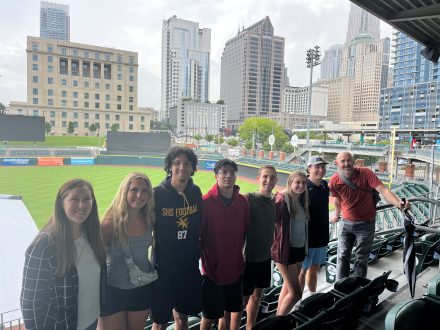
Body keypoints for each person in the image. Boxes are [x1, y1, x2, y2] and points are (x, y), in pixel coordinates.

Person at [21, 179, 106, 330]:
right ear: (61, 203)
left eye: (87, 198)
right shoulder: (43, 246)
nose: (82, 205)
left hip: (92, 322)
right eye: (74, 199)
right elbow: (31, 304)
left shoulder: (93, 235)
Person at [329, 151, 410, 280]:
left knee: (361, 257)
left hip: (366, 225)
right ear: (336, 163)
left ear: (353, 161)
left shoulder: (365, 172)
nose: (346, 163)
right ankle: (340, 285)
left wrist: (398, 203)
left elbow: (383, 189)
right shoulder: (334, 181)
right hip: (346, 224)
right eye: (342, 161)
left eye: (349, 160)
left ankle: (358, 286)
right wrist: (336, 215)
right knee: (342, 256)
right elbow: (337, 199)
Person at [151, 146, 203, 330]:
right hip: (164, 271)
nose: (182, 167)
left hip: (189, 269)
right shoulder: (157, 194)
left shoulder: (196, 193)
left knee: (182, 317)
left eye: (187, 163)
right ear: (170, 167)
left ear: (192, 167)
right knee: (160, 321)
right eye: (177, 163)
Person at [99, 172, 157, 330]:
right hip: (113, 290)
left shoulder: (150, 218)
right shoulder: (110, 222)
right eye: (134, 190)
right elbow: (94, 259)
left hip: (142, 289)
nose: (140, 195)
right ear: (125, 191)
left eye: (145, 190)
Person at [200, 159, 250, 330]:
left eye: (232, 172)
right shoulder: (205, 202)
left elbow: (244, 233)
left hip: (235, 270)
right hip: (211, 273)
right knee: (208, 317)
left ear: (236, 175)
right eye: (223, 172)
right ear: (216, 176)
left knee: (228, 313)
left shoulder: (243, 202)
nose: (228, 175)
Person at [243, 165, 278, 329]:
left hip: (265, 258)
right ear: (258, 179)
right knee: (240, 303)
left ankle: (250, 326)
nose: (268, 180)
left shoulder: (275, 202)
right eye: (265, 176)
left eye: (272, 177)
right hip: (248, 259)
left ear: (276, 181)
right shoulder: (248, 198)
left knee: (257, 296)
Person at [271, 170, 309, 316]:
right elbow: (270, 221)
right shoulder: (282, 199)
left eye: (303, 183)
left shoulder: (301, 200)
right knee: (296, 294)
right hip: (286, 252)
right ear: (290, 183)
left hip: (299, 249)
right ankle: (280, 322)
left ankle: (277, 318)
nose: (301, 185)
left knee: (287, 288)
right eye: (297, 182)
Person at [299, 156, 330, 297]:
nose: (320, 170)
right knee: (302, 270)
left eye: (323, 167)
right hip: (306, 239)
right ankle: (296, 300)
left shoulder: (324, 185)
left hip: (321, 236)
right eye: (317, 167)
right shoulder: (302, 186)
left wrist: (337, 213)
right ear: (309, 168)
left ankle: (311, 296)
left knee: (315, 268)